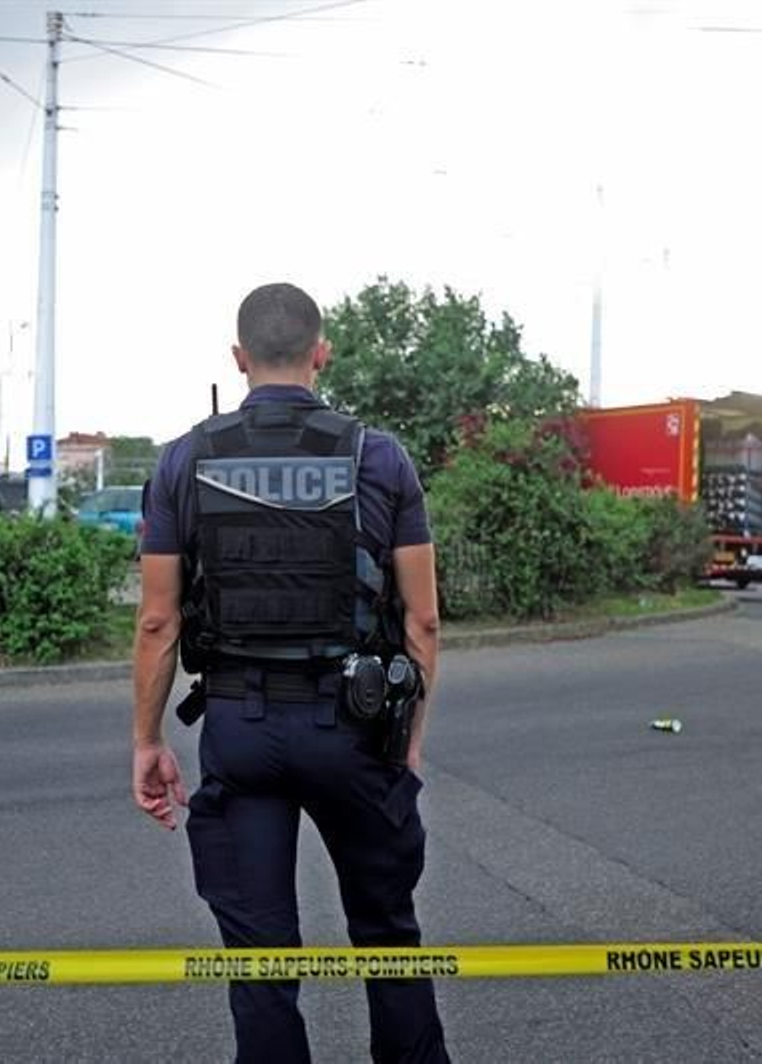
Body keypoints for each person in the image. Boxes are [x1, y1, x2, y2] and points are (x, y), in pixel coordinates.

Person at [131, 283, 449, 1063]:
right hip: (355, 727)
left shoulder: (185, 460)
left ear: (238, 360)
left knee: (262, 955)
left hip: (240, 729)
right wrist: (406, 745)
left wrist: (147, 740)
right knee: (386, 932)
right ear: (321, 352)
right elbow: (424, 621)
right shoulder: (378, 456)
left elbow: (158, 620)